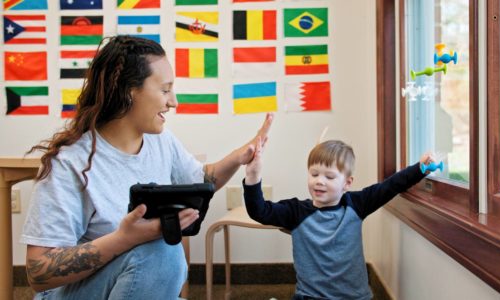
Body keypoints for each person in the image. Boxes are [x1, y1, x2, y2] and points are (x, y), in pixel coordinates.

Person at [21, 35, 273, 299]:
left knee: (162, 250)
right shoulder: (69, 163)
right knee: (162, 249)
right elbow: (39, 273)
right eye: (165, 90)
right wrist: (125, 238)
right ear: (129, 91)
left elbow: (201, 179)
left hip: (132, 286)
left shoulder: (160, 140)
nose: (173, 102)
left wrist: (240, 156)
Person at [243, 139, 432, 300]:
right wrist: (253, 177)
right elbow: (259, 211)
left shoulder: (357, 204)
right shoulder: (296, 211)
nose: (319, 181)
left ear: (347, 183)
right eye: (314, 174)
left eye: (329, 176)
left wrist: (420, 168)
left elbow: (390, 187)